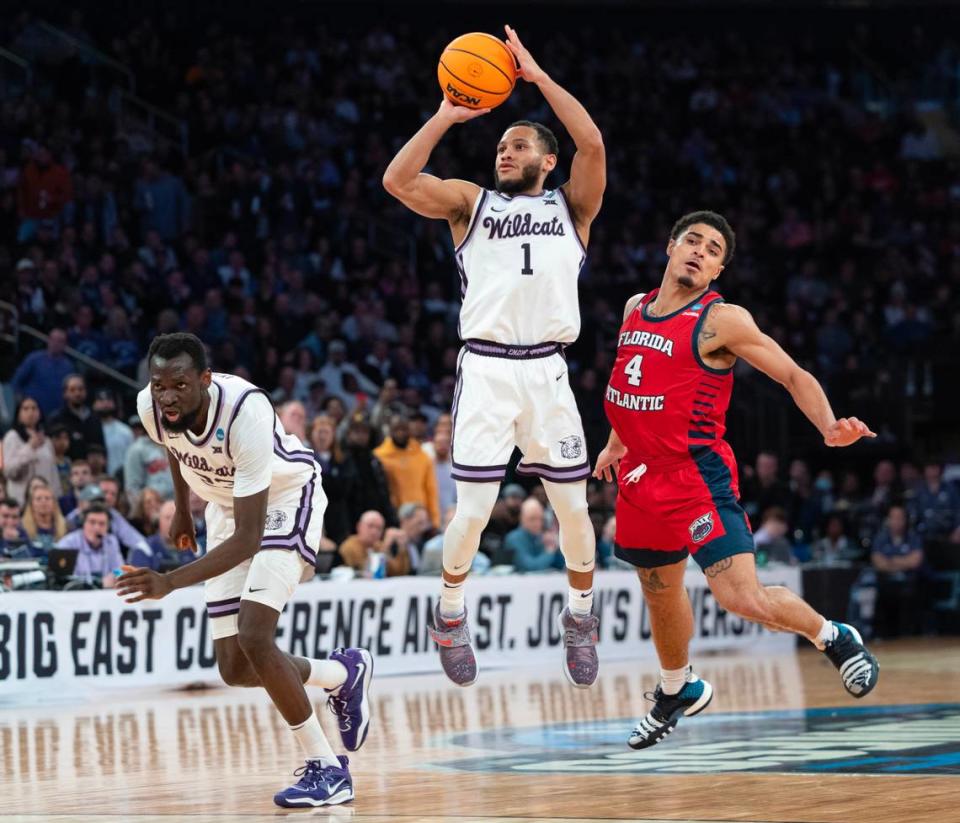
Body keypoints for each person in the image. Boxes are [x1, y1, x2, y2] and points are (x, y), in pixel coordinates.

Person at [594, 210, 880, 749]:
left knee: (740, 597)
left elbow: (790, 372)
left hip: (693, 476)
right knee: (659, 588)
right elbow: (630, 383)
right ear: (670, 246)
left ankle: (834, 636)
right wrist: (615, 442)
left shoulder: (720, 320)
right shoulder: (635, 308)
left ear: (717, 271)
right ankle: (677, 687)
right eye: (692, 241)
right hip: (639, 476)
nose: (699, 252)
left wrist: (828, 426)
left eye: (712, 250)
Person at [383, 25, 605, 688]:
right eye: (500, 145)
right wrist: (446, 115)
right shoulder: (468, 203)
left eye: (516, 145)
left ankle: (580, 616)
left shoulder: (575, 207)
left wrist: (537, 78)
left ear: (546, 160)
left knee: (574, 510)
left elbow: (591, 141)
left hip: (548, 370)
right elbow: (398, 179)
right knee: (473, 512)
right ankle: (449, 613)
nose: (502, 152)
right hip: (485, 369)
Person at [114, 333, 372, 808]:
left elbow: (248, 538)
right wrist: (183, 507)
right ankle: (340, 674)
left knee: (256, 635)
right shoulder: (151, 405)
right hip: (221, 504)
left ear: (205, 380)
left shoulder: (245, 411)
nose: (167, 396)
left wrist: (170, 581)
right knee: (234, 666)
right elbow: (174, 445)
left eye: (179, 385)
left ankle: (328, 769)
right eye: (159, 385)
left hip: (284, 497)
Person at [374, 414, 440, 528]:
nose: (400, 433)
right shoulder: (379, 456)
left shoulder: (422, 456)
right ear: (389, 430)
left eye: (404, 429)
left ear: (409, 430)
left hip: (419, 515)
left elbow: (431, 489)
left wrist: (435, 520)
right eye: (396, 429)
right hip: (392, 514)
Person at [1, 397, 59, 504]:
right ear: (18, 414)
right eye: (26, 409)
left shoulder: (46, 440)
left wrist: (56, 496)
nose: (30, 412)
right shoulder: (12, 437)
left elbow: (53, 472)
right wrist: (29, 448)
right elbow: (9, 471)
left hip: (45, 500)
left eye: (34, 408)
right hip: (21, 500)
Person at [56, 504, 124, 588]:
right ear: (83, 524)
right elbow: (63, 579)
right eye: (92, 522)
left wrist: (116, 576)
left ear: (107, 527)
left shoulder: (111, 542)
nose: (96, 528)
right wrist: (99, 583)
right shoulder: (67, 543)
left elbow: (119, 569)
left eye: (102, 524)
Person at [10, 329, 75, 417]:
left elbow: (70, 391)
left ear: (65, 344)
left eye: (60, 341)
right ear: (48, 340)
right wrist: (21, 402)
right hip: (32, 411)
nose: (56, 343)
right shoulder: (34, 359)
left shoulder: (68, 366)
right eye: (53, 340)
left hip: (57, 414)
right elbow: (16, 381)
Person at [47, 374, 106, 460]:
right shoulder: (56, 419)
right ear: (65, 393)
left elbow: (101, 446)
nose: (77, 393)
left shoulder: (95, 418)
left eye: (80, 389)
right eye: (72, 390)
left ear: (86, 391)